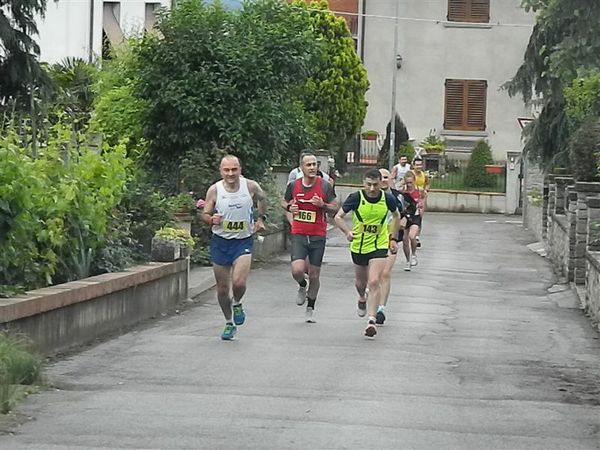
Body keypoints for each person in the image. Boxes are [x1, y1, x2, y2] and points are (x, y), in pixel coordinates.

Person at [202, 155, 267, 340]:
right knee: (222, 290)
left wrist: (261, 219)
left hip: (243, 241)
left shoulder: (250, 186)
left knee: (238, 283)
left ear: (240, 169)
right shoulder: (215, 190)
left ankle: (237, 303)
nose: (231, 174)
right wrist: (210, 219)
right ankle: (229, 322)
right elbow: (205, 213)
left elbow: (263, 199)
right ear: (221, 171)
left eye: (234, 169)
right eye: (226, 170)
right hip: (221, 242)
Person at [334, 169, 400, 338]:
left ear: (381, 183)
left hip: (378, 245)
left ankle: (371, 320)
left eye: (375, 185)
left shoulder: (388, 199)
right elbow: (338, 217)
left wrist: (392, 238)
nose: (371, 188)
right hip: (359, 246)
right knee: (360, 283)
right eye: (368, 185)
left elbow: (397, 216)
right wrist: (347, 232)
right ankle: (362, 298)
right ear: (363, 183)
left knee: (374, 280)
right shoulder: (356, 198)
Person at [282, 153, 338, 323]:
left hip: (317, 235)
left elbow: (335, 208)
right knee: (297, 270)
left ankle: (311, 306)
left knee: (314, 274)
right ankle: (301, 285)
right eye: (309, 165)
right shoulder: (294, 185)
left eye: (315, 164)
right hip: (299, 233)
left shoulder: (325, 186)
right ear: (302, 167)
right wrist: (290, 207)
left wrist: (323, 206)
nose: (312, 167)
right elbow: (284, 202)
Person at [377, 168, 407, 326]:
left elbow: (406, 212)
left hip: (391, 239)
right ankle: (369, 298)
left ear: (391, 178)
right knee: (372, 277)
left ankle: (381, 309)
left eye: (386, 177)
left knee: (385, 273)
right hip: (371, 240)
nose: (383, 180)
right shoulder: (369, 196)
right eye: (380, 177)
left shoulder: (397, 197)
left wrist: (404, 221)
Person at [398, 171, 423, 272]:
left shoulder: (420, 191)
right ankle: (408, 261)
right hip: (405, 217)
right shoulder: (402, 191)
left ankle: (413, 255)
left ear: (414, 181)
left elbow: (422, 203)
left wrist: (421, 213)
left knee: (412, 236)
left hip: (415, 216)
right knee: (404, 240)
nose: (409, 185)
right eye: (407, 182)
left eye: (410, 182)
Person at [412, 157, 429, 248]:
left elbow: (427, 184)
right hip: (411, 198)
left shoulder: (424, 175)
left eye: (420, 165)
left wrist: (426, 190)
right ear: (413, 165)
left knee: (419, 217)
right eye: (417, 165)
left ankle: (417, 236)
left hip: (421, 198)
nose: (419, 166)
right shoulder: (411, 174)